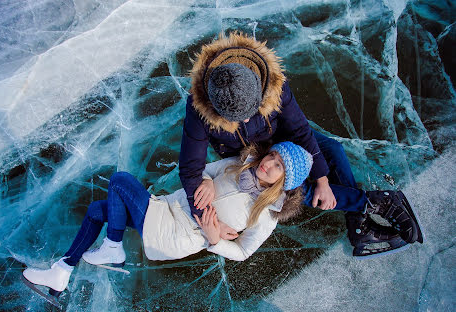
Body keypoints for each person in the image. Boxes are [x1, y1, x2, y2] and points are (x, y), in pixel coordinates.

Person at [179, 31, 423, 258]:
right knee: (295, 192)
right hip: (250, 157)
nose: (244, 120)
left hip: (281, 139)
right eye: (233, 118)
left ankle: (358, 220)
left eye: (249, 112)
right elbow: (190, 169)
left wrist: (323, 181)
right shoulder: (198, 108)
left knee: (333, 152)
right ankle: (374, 203)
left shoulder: (273, 84)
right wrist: (208, 220)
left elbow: (299, 130)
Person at [22, 141, 313, 307]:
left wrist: (214, 239)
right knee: (99, 210)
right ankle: (61, 272)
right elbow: (203, 169)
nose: (269, 164)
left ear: (286, 181)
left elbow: (244, 251)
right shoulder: (237, 165)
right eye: (272, 155)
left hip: (177, 234)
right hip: (166, 207)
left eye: (278, 167)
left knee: (121, 181)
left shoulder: (266, 215)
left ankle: (112, 247)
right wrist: (208, 181)